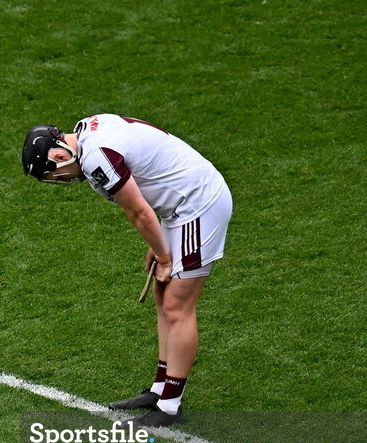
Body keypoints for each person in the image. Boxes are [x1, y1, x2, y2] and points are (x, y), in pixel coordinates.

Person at [22, 114, 232, 426]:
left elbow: (138, 211)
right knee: (163, 295)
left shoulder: (95, 157)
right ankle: (161, 389)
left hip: (197, 204)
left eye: (56, 175)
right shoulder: (88, 128)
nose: (62, 181)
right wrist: (161, 241)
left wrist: (164, 255)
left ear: (59, 155)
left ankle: (170, 407)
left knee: (177, 307)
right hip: (179, 204)